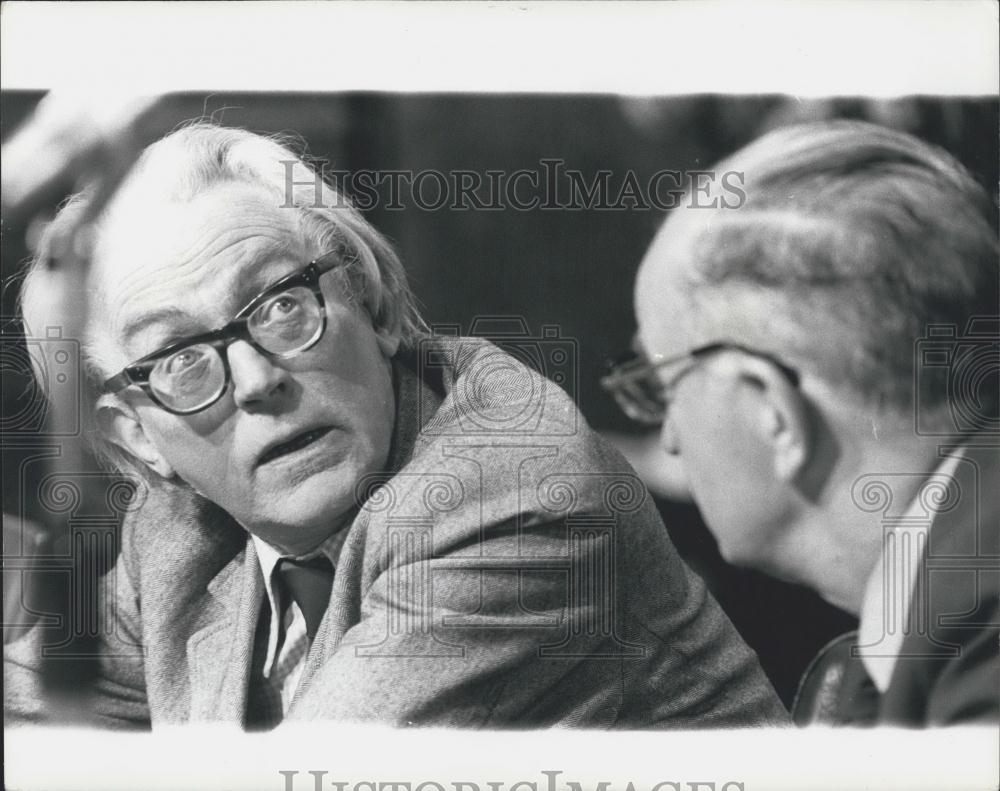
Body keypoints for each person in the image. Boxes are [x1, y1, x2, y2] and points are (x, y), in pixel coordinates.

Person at [4, 122, 786, 730]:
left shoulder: (511, 496)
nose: (256, 381)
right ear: (137, 436)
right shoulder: (178, 529)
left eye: (280, 307)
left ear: (372, 303)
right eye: (180, 357)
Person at [603, 119, 999, 726]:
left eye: (662, 388)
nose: (670, 440)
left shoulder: (978, 632)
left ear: (773, 411)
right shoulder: (942, 615)